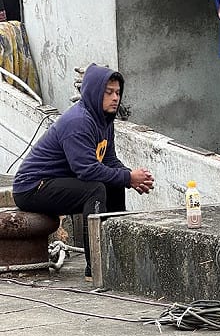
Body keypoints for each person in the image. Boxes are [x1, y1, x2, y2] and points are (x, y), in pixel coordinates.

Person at [12, 64, 154, 278]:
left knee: (114, 184)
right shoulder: (78, 121)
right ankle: (95, 268)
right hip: (32, 187)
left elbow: (109, 160)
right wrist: (128, 177)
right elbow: (87, 171)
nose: (115, 98)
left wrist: (132, 178)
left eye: (117, 92)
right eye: (108, 92)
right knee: (95, 189)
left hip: (56, 182)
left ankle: (116, 258)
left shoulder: (104, 120)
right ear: (95, 92)